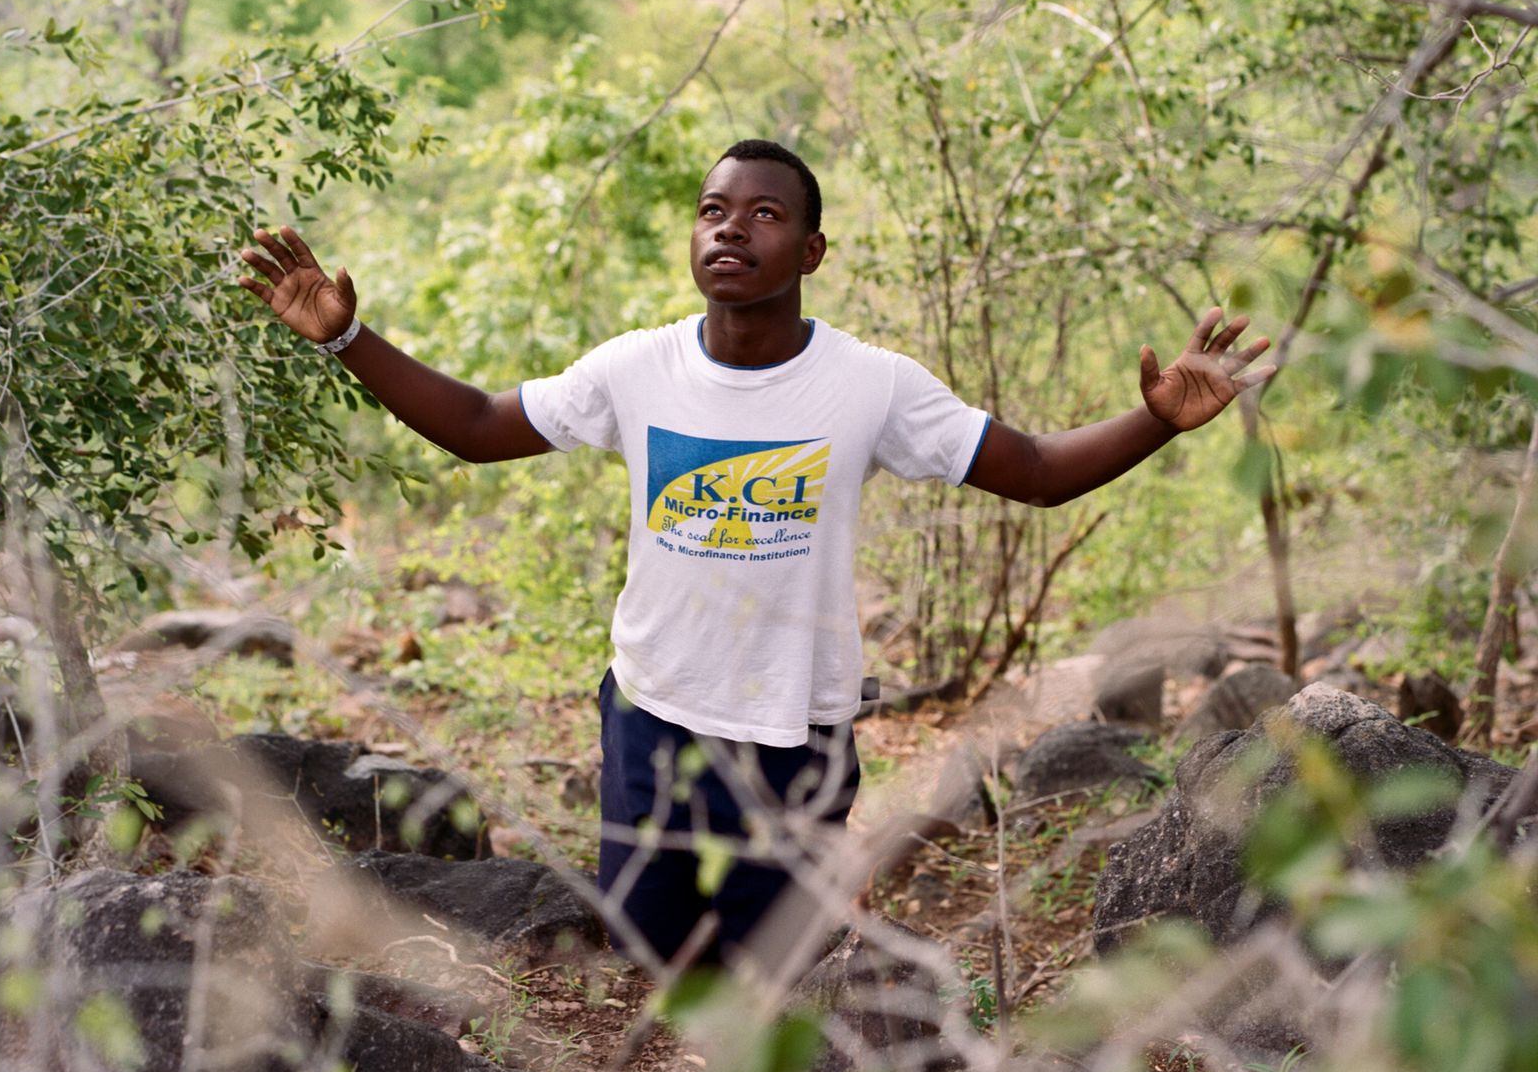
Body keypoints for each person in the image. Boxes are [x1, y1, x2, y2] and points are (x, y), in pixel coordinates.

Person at [238, 137, 1274, 970]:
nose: (731, 227)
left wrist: (1158, 422)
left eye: (765, 213)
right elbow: (471, 422)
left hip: (798, 732)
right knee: (656, 964)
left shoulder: (871, 385)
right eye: (713, 209)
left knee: (786, 973)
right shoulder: (637, 369)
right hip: (655, 719)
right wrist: (344, 339)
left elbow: (1038, 469)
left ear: (811, 253)